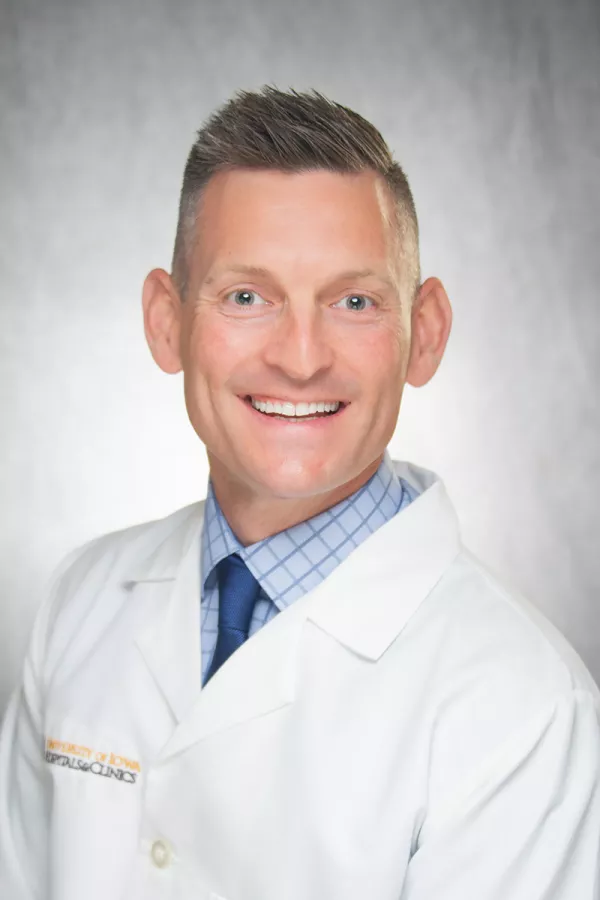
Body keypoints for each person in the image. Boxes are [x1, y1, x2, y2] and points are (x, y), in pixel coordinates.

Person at [0, 86, 599, 900]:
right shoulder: (82, 601)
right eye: (247, 297)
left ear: (423, 333)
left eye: (355, 302)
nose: (301, 357)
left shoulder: (523, 708)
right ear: (167, 321)